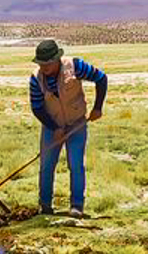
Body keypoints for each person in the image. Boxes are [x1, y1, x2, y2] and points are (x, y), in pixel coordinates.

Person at [29, 39, 108, 218]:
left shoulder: (75, 66)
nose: (44, 67)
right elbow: (37, 107)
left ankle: (77, 206)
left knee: (76, 164)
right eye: (41, 63)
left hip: (77, 124)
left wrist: (97, 108)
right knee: (47, 166)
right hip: (51, 127)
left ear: (57, 59)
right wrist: (54, 128)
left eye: (48, 63)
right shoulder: (36, 78)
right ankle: (45, 206)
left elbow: (101, 78)